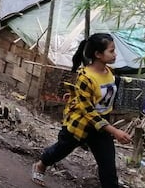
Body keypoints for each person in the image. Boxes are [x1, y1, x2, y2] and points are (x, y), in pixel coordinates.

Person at [31, 33, 132, 187]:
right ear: (98, 54)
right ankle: (41, 165)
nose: (115, 54)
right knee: (60, 150)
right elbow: (89, 112)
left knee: (108, 168)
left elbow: (104, 103)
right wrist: (115, 131)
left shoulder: (109, 73)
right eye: (111, 51)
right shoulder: (85, 77)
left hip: (101, 128)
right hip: (79, 125)